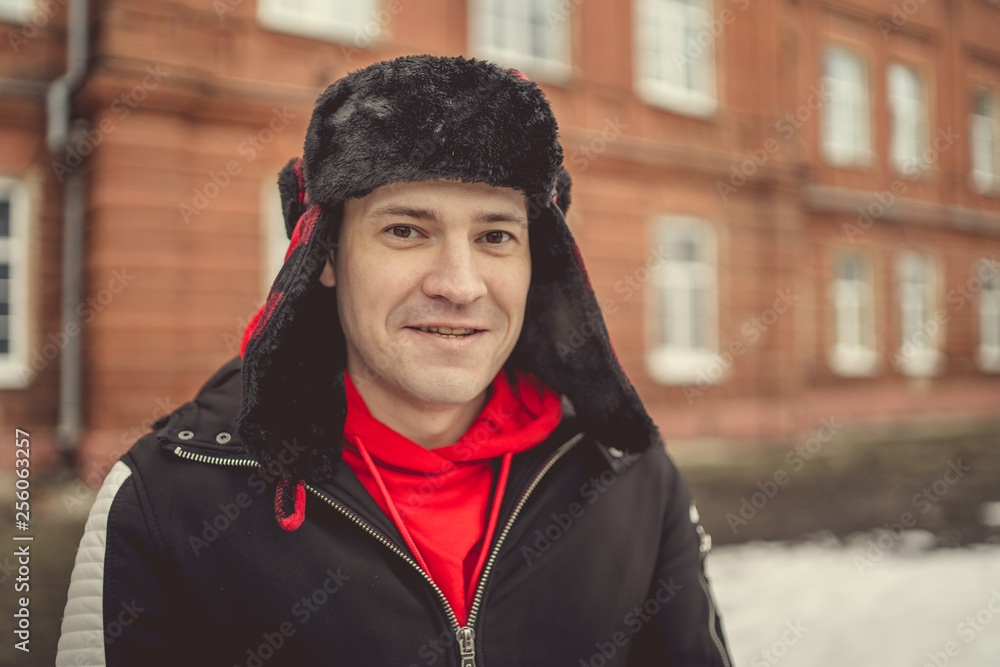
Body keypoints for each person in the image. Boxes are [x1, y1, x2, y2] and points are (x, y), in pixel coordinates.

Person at [56, 55, 732, 666]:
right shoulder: (169, 498)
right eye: (406, 229)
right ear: (324, 256)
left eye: (496, 234)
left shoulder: (630, 475)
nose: (460, 284)